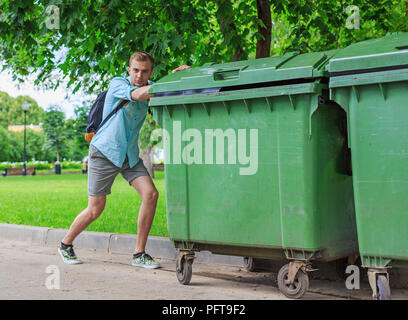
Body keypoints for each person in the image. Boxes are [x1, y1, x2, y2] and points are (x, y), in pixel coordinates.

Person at [58, 51, 190, 268]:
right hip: (104, 152)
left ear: (151, 72)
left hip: (128, 155)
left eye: (144, 71)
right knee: (95, 208)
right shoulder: (118, 84)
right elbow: (138, 95)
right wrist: (168, 83)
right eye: (135, 70)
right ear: (129, 69)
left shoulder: (153, 86)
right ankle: (65, 244)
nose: (139, 75)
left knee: (151, 194)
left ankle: (139, 254)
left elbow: (166, 93)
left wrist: (178, 78)